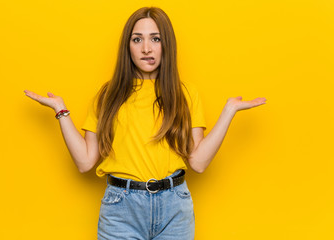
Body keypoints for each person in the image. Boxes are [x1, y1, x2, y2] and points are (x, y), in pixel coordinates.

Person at [24, 6, 266, 240]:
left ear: (166, 45)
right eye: (137, 39)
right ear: (127, 46)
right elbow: (85, 161)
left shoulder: (186, 94)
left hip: (175, 209)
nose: (147, 48)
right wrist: (61, 111)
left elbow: (199, 162)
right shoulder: (107, 95)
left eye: (156, 39)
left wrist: (228, 112)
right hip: (120, 209)